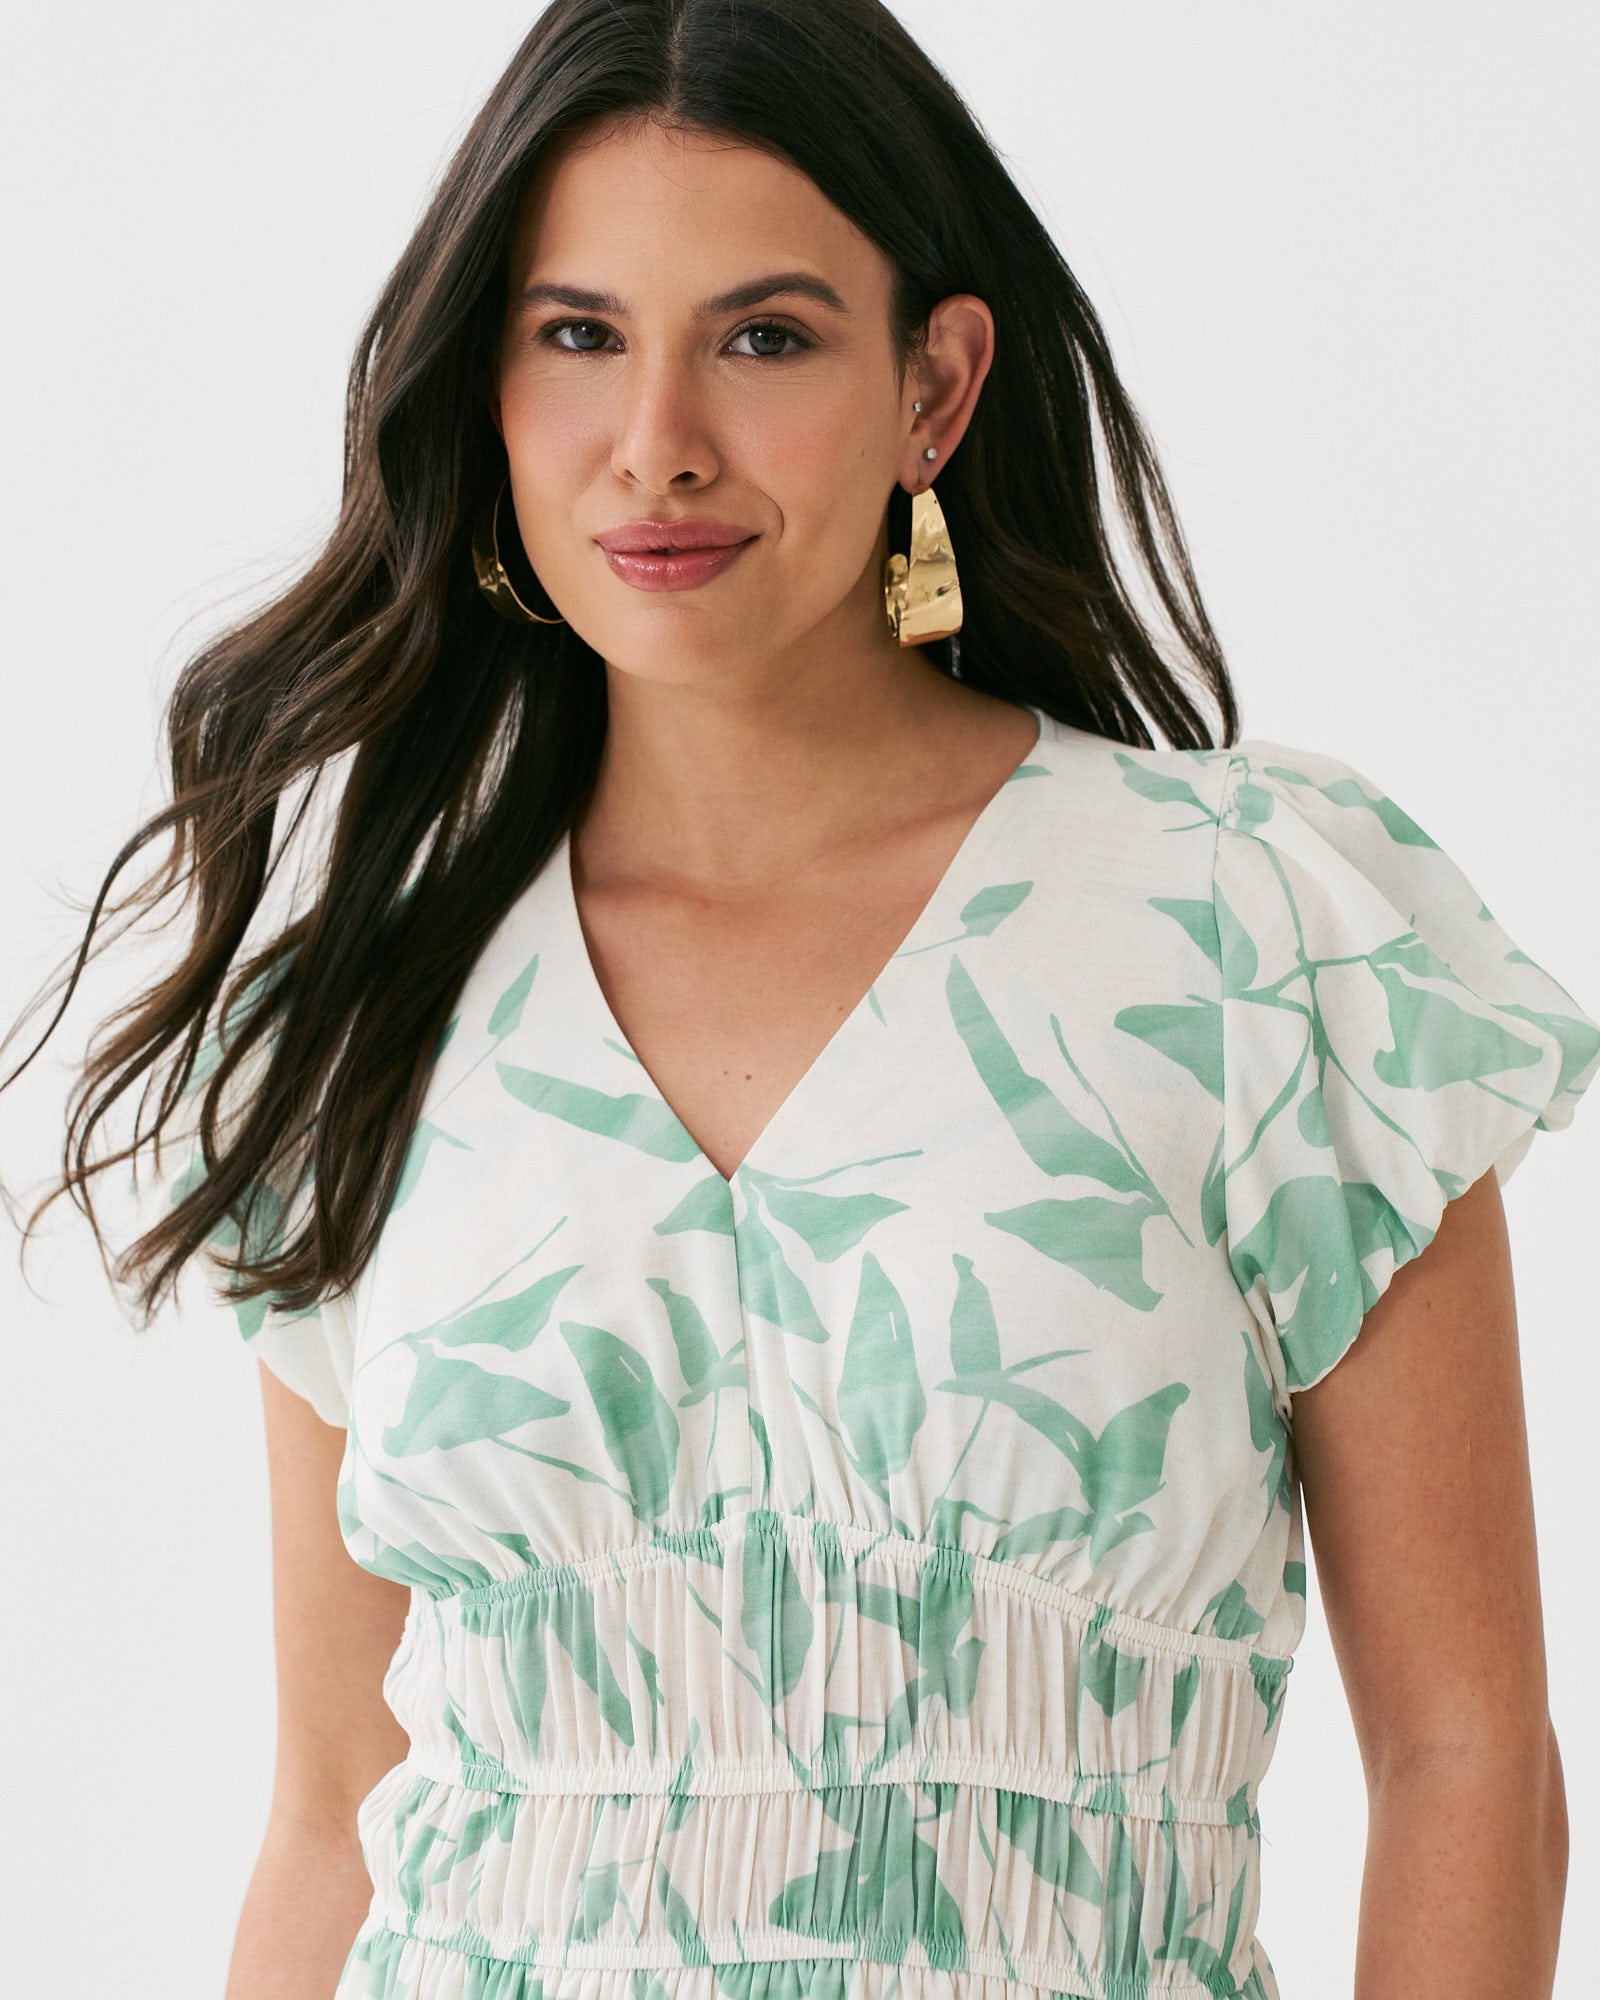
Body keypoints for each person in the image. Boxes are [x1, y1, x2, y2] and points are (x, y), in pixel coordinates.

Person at [5, 2, 1594, 1995]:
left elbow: (1463, 1761)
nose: (657, 438)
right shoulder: (372, 1007)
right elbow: (334, 1814)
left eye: (762, 337)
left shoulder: (1251, 939)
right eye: (577, 334)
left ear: (934, 387)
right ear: (487, 385)